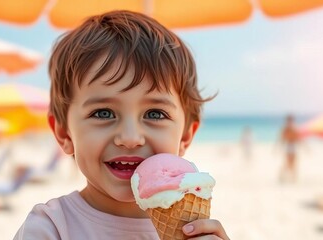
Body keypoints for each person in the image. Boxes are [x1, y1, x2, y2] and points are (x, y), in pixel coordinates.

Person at [13, 10, 229, 240]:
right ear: (64, 133)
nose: (130, 137)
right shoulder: (50, 228)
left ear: (186, 136)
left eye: (155, 114)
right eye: (103, 113)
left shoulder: (192, 231)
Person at [278, 114, 300, 182]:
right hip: (288, 146)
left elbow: (299, 138)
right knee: (287, 163)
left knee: (293, 163)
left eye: (291, 120)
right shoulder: (286, 129)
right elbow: (281, 139)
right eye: (289, 120)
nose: (290, 121)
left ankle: (293, 177)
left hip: (293, 146)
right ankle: (283, 176)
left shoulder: (294, 128)